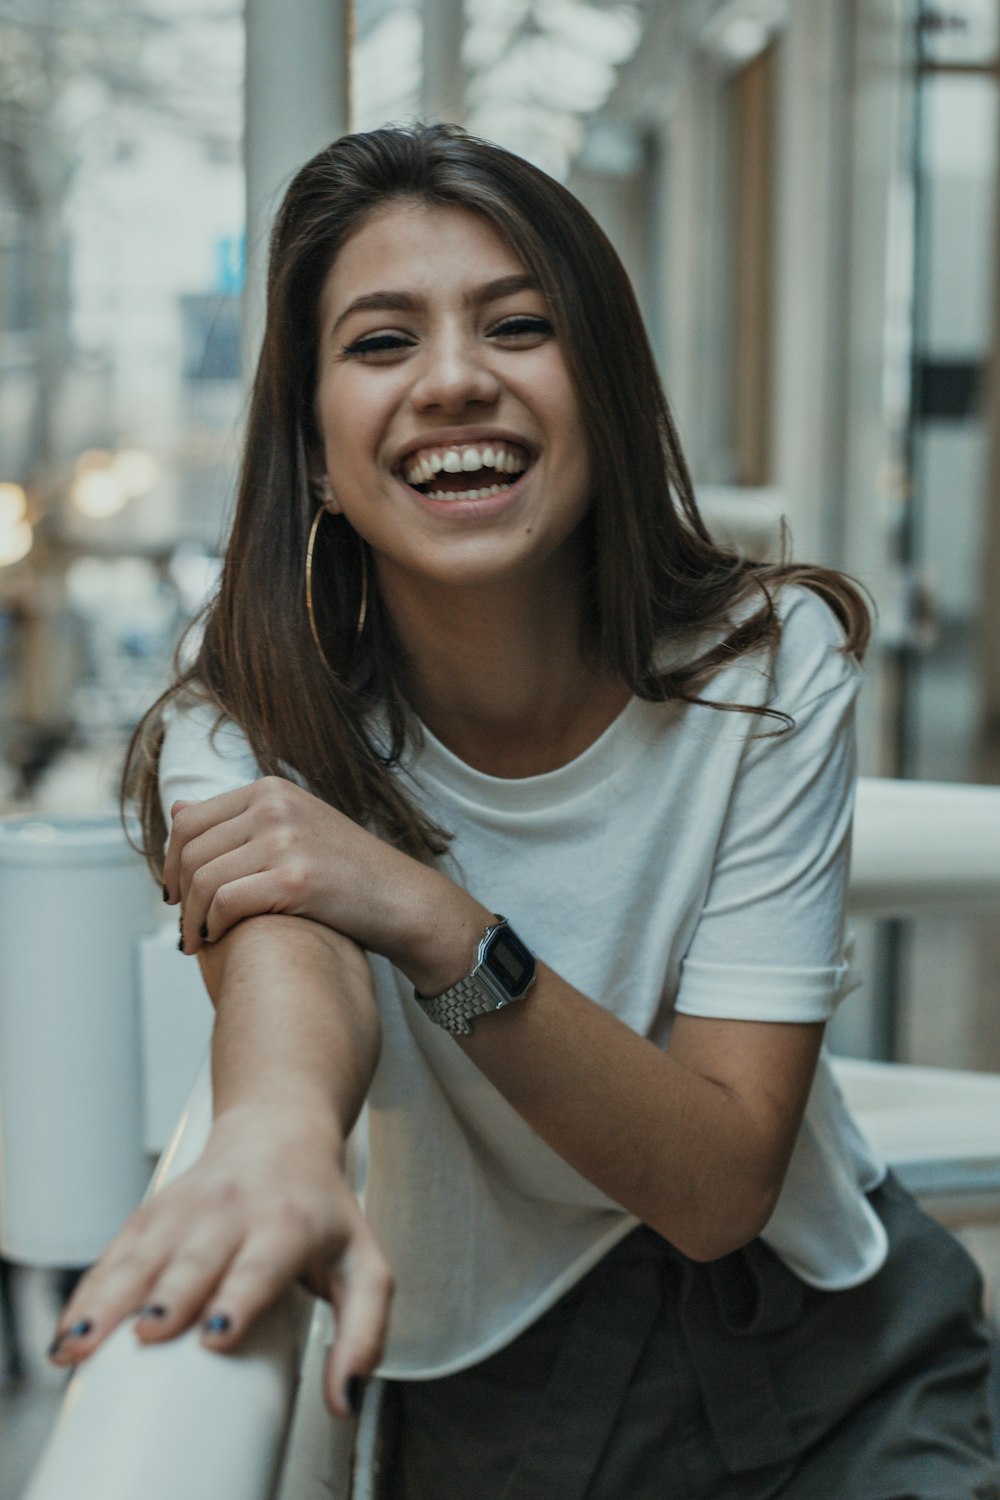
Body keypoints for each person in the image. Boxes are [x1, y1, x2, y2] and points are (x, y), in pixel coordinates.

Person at [50, 124, 998, 1499]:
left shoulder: (769, 664)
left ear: (603, 391)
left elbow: (723, 1182)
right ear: (313, 447)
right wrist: (268, 1140)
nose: (452, 380)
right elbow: (291, 989)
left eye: (518, 325)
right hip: (500, 1409)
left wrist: (436, 920)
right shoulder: (250, 727)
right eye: (380, 344)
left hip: (839, 1351)